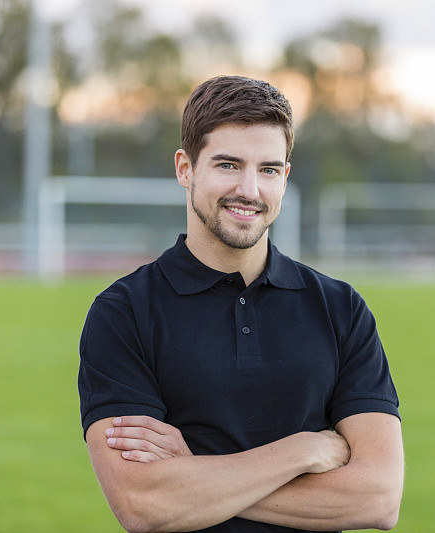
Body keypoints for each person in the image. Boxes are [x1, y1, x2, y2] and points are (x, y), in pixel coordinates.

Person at [78, 75, 404, 533]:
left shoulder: (341, 309)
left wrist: (197, 476)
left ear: (285, 177)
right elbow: (143, 503)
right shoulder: (123, 312)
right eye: (228, 165)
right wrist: (302, 451)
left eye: (268, 169)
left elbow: (378, 498)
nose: (249, 190)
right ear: (185, 168)